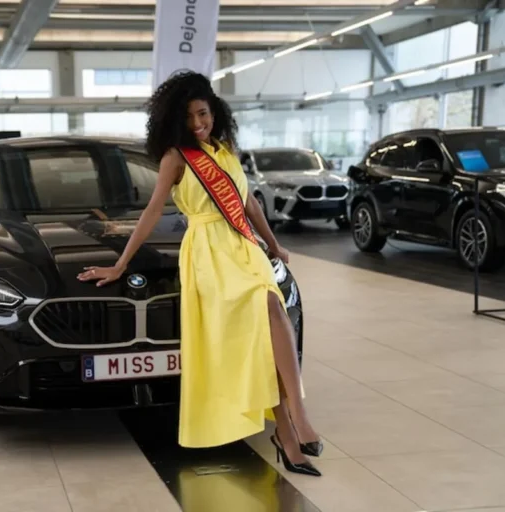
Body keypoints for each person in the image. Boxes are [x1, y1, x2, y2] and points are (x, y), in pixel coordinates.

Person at [77, 72, 322, 477]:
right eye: (189, 117)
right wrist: (121, 263)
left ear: (215, 111)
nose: (197, 124)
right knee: (267, 316)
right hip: (209, 253)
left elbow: (249, 205)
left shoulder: (226, 150)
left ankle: (290, 429)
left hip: (245, 249)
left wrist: (273, 245)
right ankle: (296, 418)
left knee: (270, 322)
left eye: (203, 113)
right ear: (176, 120)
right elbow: (153, 211)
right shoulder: (176, 158)